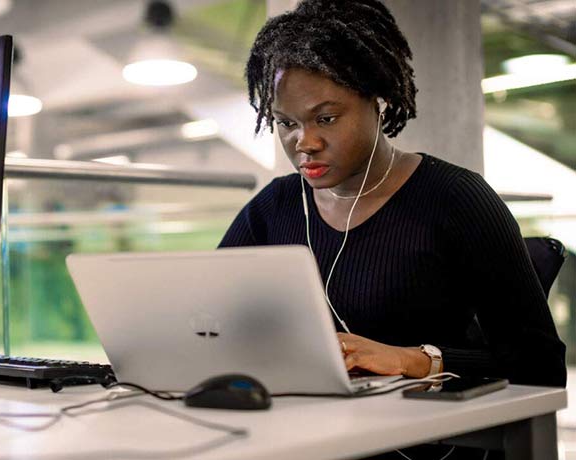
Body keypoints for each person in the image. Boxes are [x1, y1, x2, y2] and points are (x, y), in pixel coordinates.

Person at [220, 1, 565, 457]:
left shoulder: (455, 198)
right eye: (286, 122)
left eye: (326, 118)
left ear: (378, 100)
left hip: (428, 446)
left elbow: (541, 365)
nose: (304, 142)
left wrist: (409, 359)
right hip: (307, 436)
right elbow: (205, 322)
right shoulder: (274, 208)